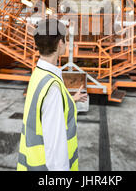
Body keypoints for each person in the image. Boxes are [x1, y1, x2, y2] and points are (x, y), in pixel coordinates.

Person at [17, 18, 88, 171]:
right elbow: (56, 151)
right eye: (66, 39)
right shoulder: (53, 89)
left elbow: (44, 110)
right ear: (60, 43)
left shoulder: (39, 74)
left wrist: (71, 99)